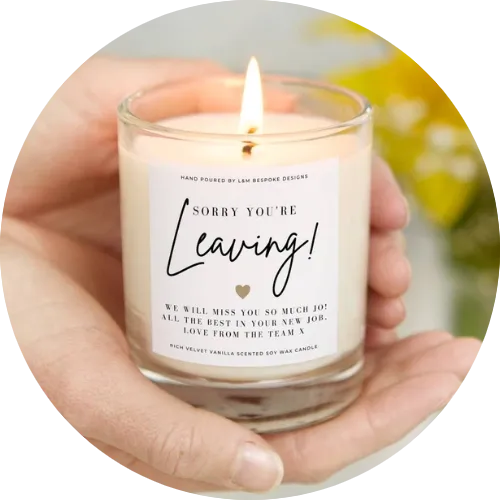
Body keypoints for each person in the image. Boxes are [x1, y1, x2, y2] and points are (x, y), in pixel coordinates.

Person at [0, 55, 481, 494]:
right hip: (164, 362)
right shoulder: (134, 133)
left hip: (326, 372)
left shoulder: (344, 139)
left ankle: (319, 374)